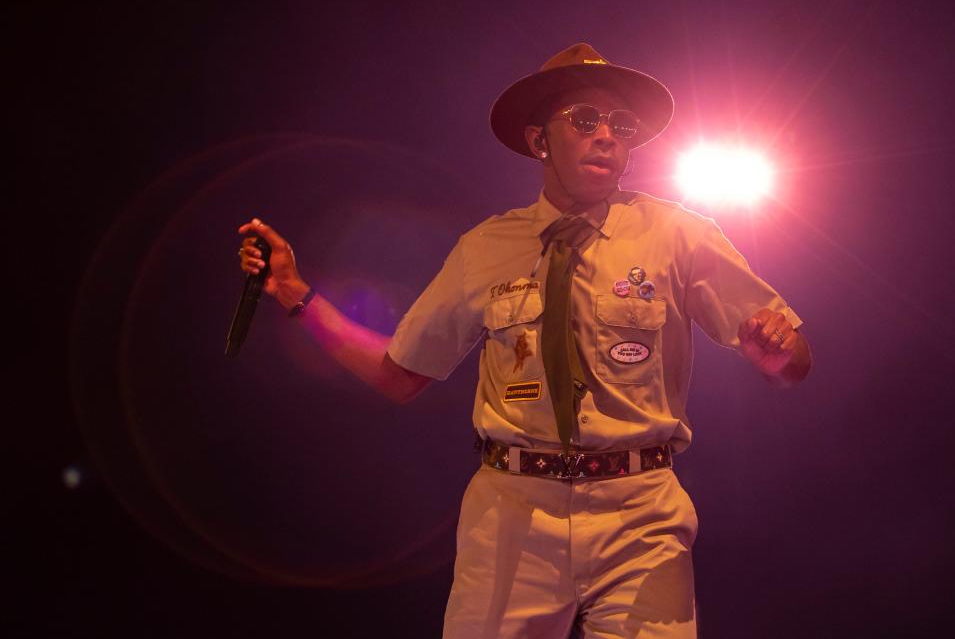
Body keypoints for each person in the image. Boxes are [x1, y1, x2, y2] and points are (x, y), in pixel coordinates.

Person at [237, 43, 811, 639]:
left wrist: (777, 355)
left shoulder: (678, 234)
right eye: (586, 120)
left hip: (640, 513)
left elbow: (794, 357)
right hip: (512, 512)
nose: (608, 136)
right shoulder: (486, 247)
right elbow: (398, 375)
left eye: (622, 125)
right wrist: (296, 296)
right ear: (540, 141)